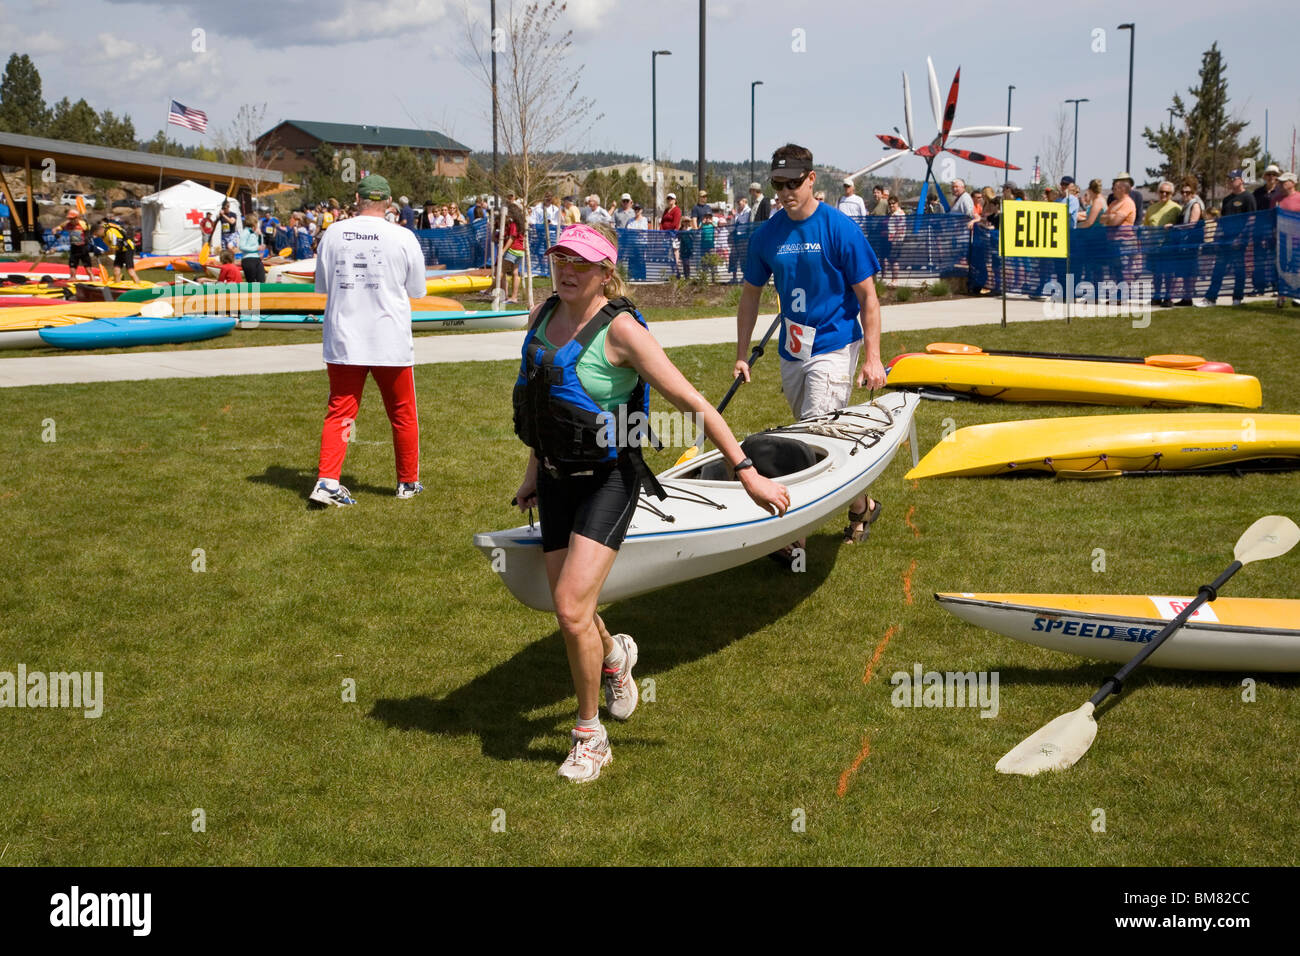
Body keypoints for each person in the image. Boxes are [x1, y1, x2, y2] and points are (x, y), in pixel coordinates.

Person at [511, 222, 789, 782]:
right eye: (560, 258)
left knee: (568, 608)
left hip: (609, 480)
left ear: (605, 274)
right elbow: (546, 402)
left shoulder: (621, 332)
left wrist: (746, 472)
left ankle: (590, 737)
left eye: (581, 264)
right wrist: (533, 472)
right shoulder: (543, 316)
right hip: (558, 479)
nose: (566, 270)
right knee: (577, 612)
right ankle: (615, 657)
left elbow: (692, 402)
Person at [735, 143, 886, 551]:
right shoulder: (767, 234)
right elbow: (750, 296)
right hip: (793, 350)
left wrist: (872, 357)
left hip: (835, 345)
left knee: (816, 430)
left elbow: (869, 298)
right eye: (778, 184)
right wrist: (741, 354)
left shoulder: (839, 228)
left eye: (794, 183)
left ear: (812, 179)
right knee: (818, 437)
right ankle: (862, 504)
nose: (785, 192)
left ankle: (793, 535)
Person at [309, 174, 428, 508]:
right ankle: (407, 482)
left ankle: (327, 479)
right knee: (402, 413)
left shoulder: (333, 233)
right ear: (388, 204)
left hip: (345, 338)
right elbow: (417, 290)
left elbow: (322, 286)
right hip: (389, 338)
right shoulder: (403, 236)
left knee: (341, 413)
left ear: (357, 201)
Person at [1197, 170, 1257, 307]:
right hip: (1225, 240)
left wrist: (1241, 238)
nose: (1230, 181)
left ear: (1241, 180)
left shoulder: (1248, 197)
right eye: (1229, 179)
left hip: (1239, 241)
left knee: (1239, 271)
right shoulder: (1226, 200)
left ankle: (1237, 298)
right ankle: (1210, 298)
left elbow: (1251, 220)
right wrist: (1217, 238)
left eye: (1233, 179)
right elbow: (1222, 221)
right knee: (1218, 270)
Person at [1144, 181, 1182, 305]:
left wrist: (1173, 226)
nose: (1164, 194)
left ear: (1172, 194)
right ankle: (1157, 295)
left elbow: (1182, 226)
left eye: (1167, 192)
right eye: (1161, 191)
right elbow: (1146, 227)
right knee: (1156, 274)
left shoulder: (1176, 208)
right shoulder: (1151, 208)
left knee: (1169, 273)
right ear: (1157, 192)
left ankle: (1168, 297)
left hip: (1169, 246)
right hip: (1154, 247)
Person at [1251, 164, 1282, 294]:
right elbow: (1253, 213)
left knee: (1276, 259)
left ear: (1277, 177)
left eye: (1274, 175)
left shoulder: (1281, 193)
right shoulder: (1257, 193)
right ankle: (1259, 286)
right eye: (1268, 174)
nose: (1271, 177)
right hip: (1259, 230)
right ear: (1264, 176)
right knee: (1259, 259)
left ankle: (1276, 286)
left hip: (1276, 230)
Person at [53, 209, 95, 280]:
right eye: (70, 218)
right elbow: (54, 229)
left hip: (83, 247)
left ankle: (91, 277)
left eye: (73, 219)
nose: (71, 220)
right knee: (72, 264)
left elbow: (93, 231)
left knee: (87, 263)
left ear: (77, 218)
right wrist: (55, 234)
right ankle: (73, 277)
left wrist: (89, 236)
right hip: (74, 247)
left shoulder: (83, 224)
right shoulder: (66, 224)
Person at [103, 218, 140, 282]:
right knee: (116, 271)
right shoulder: (107, 232)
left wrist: (104, 252)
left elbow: (113, 247)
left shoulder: (111, 231)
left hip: (127, 249)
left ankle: (139, 287)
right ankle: (117, 287)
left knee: (130, 271)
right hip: (120, 250)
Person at [237, 216, 266, 283]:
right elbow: (241, 246)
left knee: (261, 279)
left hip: (257, 258)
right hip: (248, 259)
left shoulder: (254, 233)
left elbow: (260, 244)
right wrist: (256, 248)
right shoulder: (246, 232)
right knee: (251, 282)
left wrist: (260, 235)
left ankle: (262, 292)